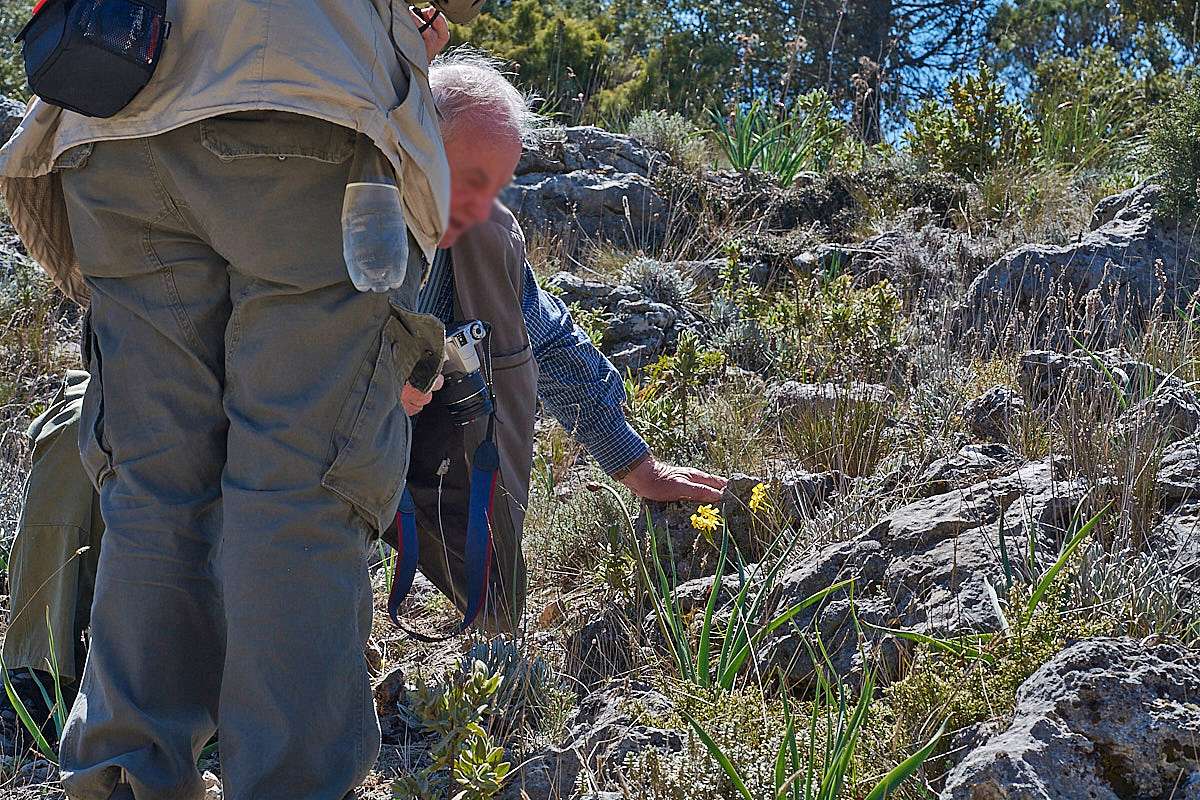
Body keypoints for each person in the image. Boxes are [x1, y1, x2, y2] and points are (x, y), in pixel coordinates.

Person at [3, 50, 728, 685]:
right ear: (409, 142)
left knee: (317, 483)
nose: (477, 208)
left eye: (496, 188)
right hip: (219, 398)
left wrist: (634, 462)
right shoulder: (312, 198)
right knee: (75, 439)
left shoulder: (481, 239)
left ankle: (284, 689)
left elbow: (551, 343)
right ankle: (42, 679)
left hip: (357, 447)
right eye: (466, 177)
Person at [0, 2, 479, 798]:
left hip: (112, 115)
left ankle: (123, 777)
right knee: (297, 490)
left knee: (151, 490)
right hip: (308, 101)